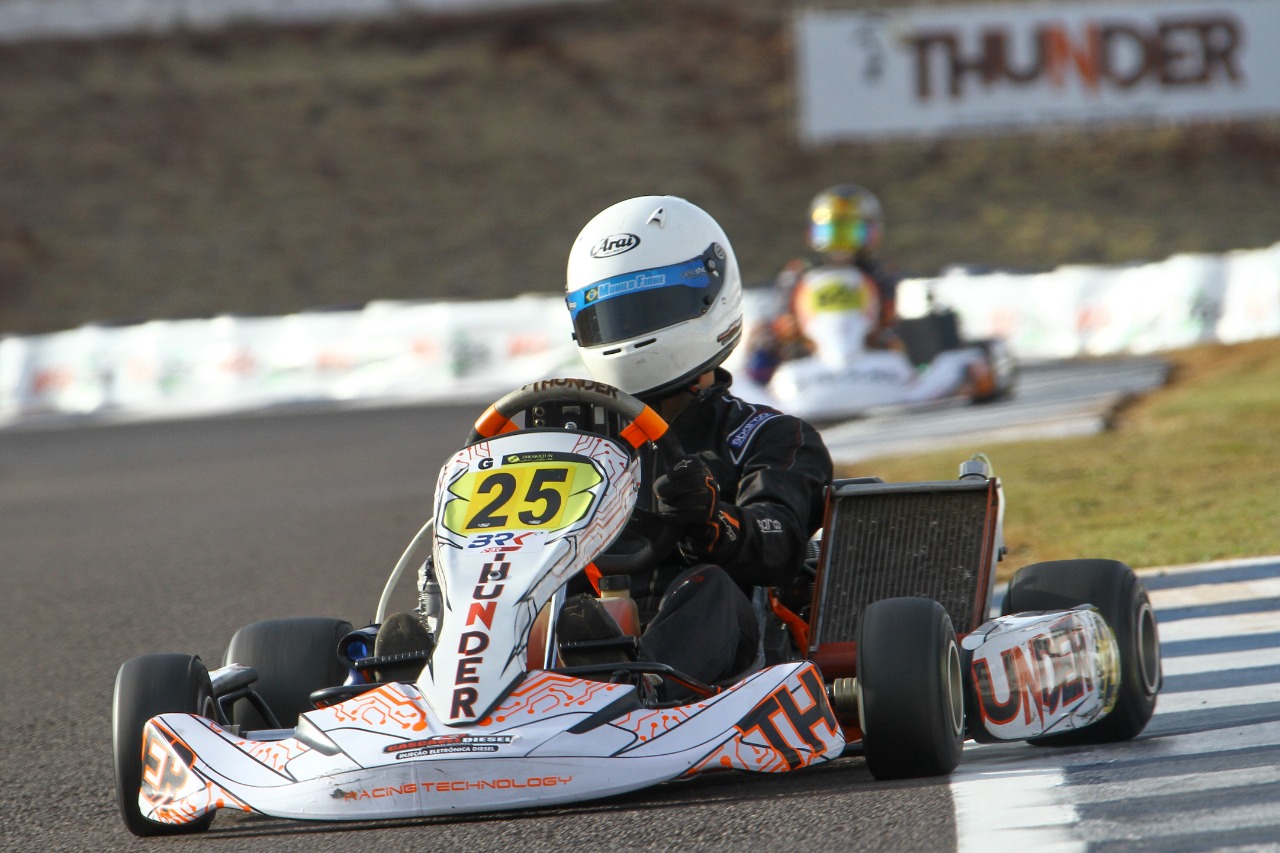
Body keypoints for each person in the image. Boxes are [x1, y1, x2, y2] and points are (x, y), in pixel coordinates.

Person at [561, 195, 833, 691]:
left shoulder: (768, 436)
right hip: (586, 635)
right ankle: (422, 680)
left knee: (707, 587)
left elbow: (780, 542)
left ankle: (645, 695)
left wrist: (715, 523)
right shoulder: (572, 444)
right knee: (543, 595)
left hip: (732, 651)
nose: (629, 335)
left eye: (650, 309)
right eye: (615, 316)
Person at [746, 184, 902, 385]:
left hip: (869, 351)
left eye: (849, 232)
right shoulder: (799, 273)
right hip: (808, 352)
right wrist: (784, 337)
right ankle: (760, 384)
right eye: (834, 232)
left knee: (897, 338)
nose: (840, 243)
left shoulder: (879, 275)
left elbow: (889, 318)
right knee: (763, 338)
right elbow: (784, 317)